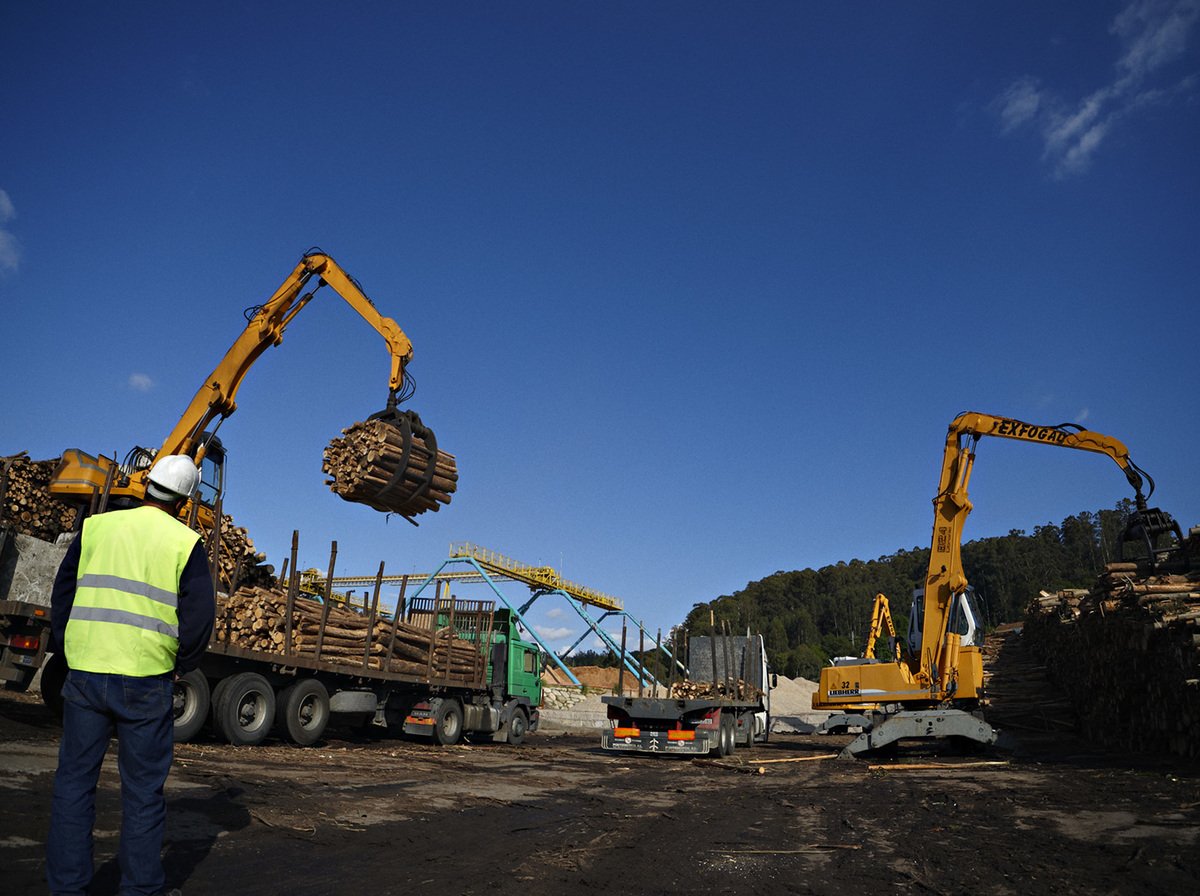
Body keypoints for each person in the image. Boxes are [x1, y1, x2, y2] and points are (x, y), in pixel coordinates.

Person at [46, 455, 216, 896]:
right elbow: (198, 620)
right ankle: (140, 889)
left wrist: (71, 647)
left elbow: (63, 592)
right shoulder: (185, 542)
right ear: (184, 500)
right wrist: (182, 663)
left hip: (85, 672)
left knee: (74, 786)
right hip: (146, 678)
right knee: (142, 794)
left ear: (147, 486)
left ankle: (67, 888)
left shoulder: (97, 528)